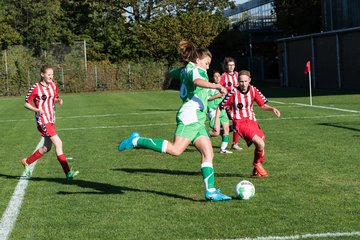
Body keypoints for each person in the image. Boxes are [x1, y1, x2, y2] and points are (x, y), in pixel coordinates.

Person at [118, 40, 232, 202]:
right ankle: (137, 140)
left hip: (198, 119)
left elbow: (170, 72)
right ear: (198, 60)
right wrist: (215, 86)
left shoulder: (184, 70)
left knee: (208, 153)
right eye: (206, 63)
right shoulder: (194, 70)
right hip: (190, 116)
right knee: (176, 150)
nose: (208, 66)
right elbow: (197, 82)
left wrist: (167, 81)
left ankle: (211, 191)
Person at [214, 70, 281, 177]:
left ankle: (256, 169)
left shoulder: (254, 90)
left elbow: (262, 105)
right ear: (238, 81)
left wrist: (272, 108)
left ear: (249, 80)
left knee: (261, 144)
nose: (243, 84)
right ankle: (257, 164)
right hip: (240, 123)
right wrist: (216, 122)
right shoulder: (233, 92)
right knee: (260, 143)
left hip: (252, 121)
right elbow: (220, 107)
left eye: (245, 81)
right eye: (241, 81)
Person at [21, 65, 78, 180]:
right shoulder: (35, 88)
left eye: (52, 74)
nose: (51, 77)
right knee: (59, 143)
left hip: (51, 118)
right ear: (42, 74)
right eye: (49, 74)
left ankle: (27, 161)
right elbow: (26, 103)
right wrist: (37, 110)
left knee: (47, 147)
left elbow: (54, 98)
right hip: (43, 120)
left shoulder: (53, 85)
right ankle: (68, 173)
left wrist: (58, 100)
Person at [219, 57, 243, 151]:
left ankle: (234, 143)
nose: (231, 67)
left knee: (237, 122)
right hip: (228, 103)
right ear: (226, 66)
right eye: (229, 65)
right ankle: (225, 131)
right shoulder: (224, 76)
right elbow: (219, 86)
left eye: (233, 65)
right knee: (236, 122)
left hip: (237, 102)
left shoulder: (237, 75)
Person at [207, 70, 232, 154]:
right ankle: (206, 134)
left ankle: (223, 149)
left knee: (226, 129)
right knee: (216, 132)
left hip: (222, 111)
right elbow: (207, 98)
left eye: (219, 76)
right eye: (215, 76)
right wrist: (217, 95)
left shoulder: (223, 88)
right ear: (212, 78)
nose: (217, 78)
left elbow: (226, 100)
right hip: (213, 110)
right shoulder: (210, 87)